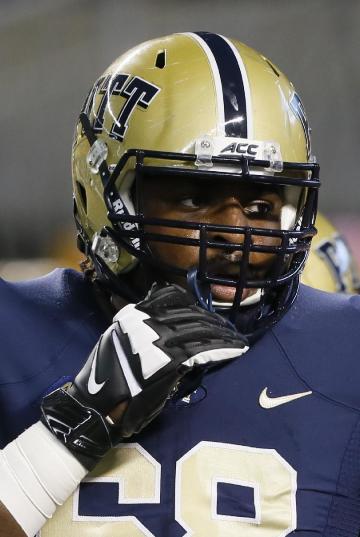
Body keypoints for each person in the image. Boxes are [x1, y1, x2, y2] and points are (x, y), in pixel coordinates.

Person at [1, 31, 360, 537]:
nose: (236, 237)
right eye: (194, 199)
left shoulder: (347, 349)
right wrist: (71, 428)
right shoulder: (11, 332)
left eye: (260, 207)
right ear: (106, 199)